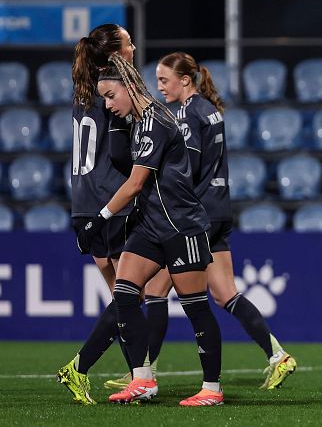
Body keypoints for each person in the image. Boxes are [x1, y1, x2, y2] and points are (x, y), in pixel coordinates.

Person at [103, 51, 297, 391]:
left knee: (155, 290)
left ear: (185, 80)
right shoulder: (211, 111)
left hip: (194, 215)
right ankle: (277, 355)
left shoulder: (186, 114)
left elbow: (183, 172)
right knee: (225, 294)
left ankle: (144, 373)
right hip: (219, 208)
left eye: (164, 80)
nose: (159, 87)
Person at [80, 54, 224, 406]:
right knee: (125, 295)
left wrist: (97, 220)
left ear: (129, 87)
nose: (108, 104)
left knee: (195, 306)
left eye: (111, 95)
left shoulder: (155, 120)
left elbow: (134, 183)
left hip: (180, 225)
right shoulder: (139, 121)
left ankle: (212, 389)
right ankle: (142, 380)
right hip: (151, 225)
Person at [57, 24, 139, 406]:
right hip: (111, 203)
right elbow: (122, 155)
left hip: (83, 203)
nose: (134, 46)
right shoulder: (115, 91)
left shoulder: (83, 90)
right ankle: (80, 367)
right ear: (115, 55)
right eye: (128, 42)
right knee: (130, 295)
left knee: (120, 297)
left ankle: (137, 376)